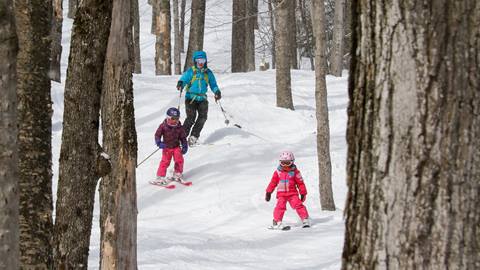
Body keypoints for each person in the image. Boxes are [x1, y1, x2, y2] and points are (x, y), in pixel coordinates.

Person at [176, 50, 221, 146]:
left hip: (202, 99)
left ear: (205, 61)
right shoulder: (191, 71)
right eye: (198, 60)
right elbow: (184, 79)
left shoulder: (208, 73)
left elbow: (213, 84)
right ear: (195, 61)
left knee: (203, 117)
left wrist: (217, 91)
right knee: (191, 118)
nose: (200, 63)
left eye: (203, 60)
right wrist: (181, 83)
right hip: (190, 98)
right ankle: (181, 138)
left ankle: (193, 137)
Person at [265, 151, 310, 229]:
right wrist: (268, 192)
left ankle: (305, 219)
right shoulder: (277, 172)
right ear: (280, 162)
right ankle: (276, 221)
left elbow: (300, 183)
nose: (285, 165)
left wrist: (303, 193)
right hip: (281, 194)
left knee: (298, 205)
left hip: (292, 194)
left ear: (292, 162)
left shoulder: (295, 172)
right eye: (283, 163)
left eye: (287, 163)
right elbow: (273, 182)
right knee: (280, 206)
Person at [153, 107, 188, 185]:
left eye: (177, 118)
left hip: (176, 147)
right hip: (166, 147)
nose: (175, 120)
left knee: (179, 160)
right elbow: (157, 135)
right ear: (168, 118)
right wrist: (159, 143)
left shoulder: (179, 127)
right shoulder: (163, 126)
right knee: (165, 162)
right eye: (173, 118)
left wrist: (185, 145)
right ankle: (160, 177)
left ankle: (177, 173)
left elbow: (183, 138)